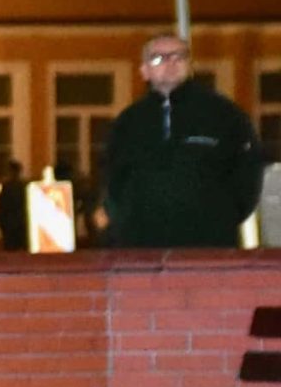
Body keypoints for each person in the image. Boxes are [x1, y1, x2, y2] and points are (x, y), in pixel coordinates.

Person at [104, 34, 265, 248]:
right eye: (158, 58)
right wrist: (124, 220)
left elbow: (248, 170)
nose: (170, 63)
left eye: (178, 56)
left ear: (190, 66)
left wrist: (225, 218)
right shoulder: (128, 123)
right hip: (140, 245)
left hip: (209, 245)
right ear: (144, 70)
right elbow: (112, 176)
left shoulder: (222, 115)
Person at [0, 158, 30, 253]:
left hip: (10, 222)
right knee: (22, 248)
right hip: (22, 221)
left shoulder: (7, 186)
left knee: (10, 248)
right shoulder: (24, 186)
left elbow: (2, 205)